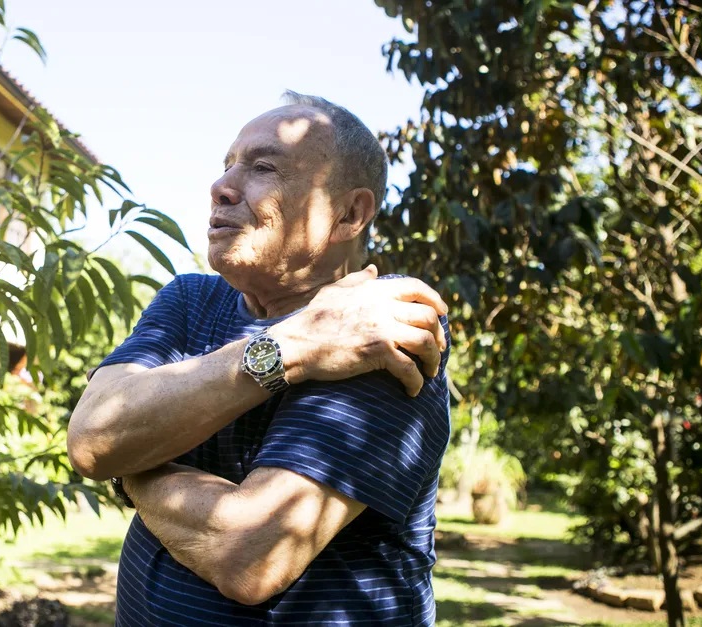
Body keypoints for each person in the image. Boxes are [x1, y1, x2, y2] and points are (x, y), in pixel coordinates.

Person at [67, 91, 452, 626]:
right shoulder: (190, 299)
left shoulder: (382, 326)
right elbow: (91, 437)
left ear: (350, 214)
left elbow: (248, 553)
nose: (221, 187)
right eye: (226, 165)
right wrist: (291, 348)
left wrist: (128, 465)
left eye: (263, 167)